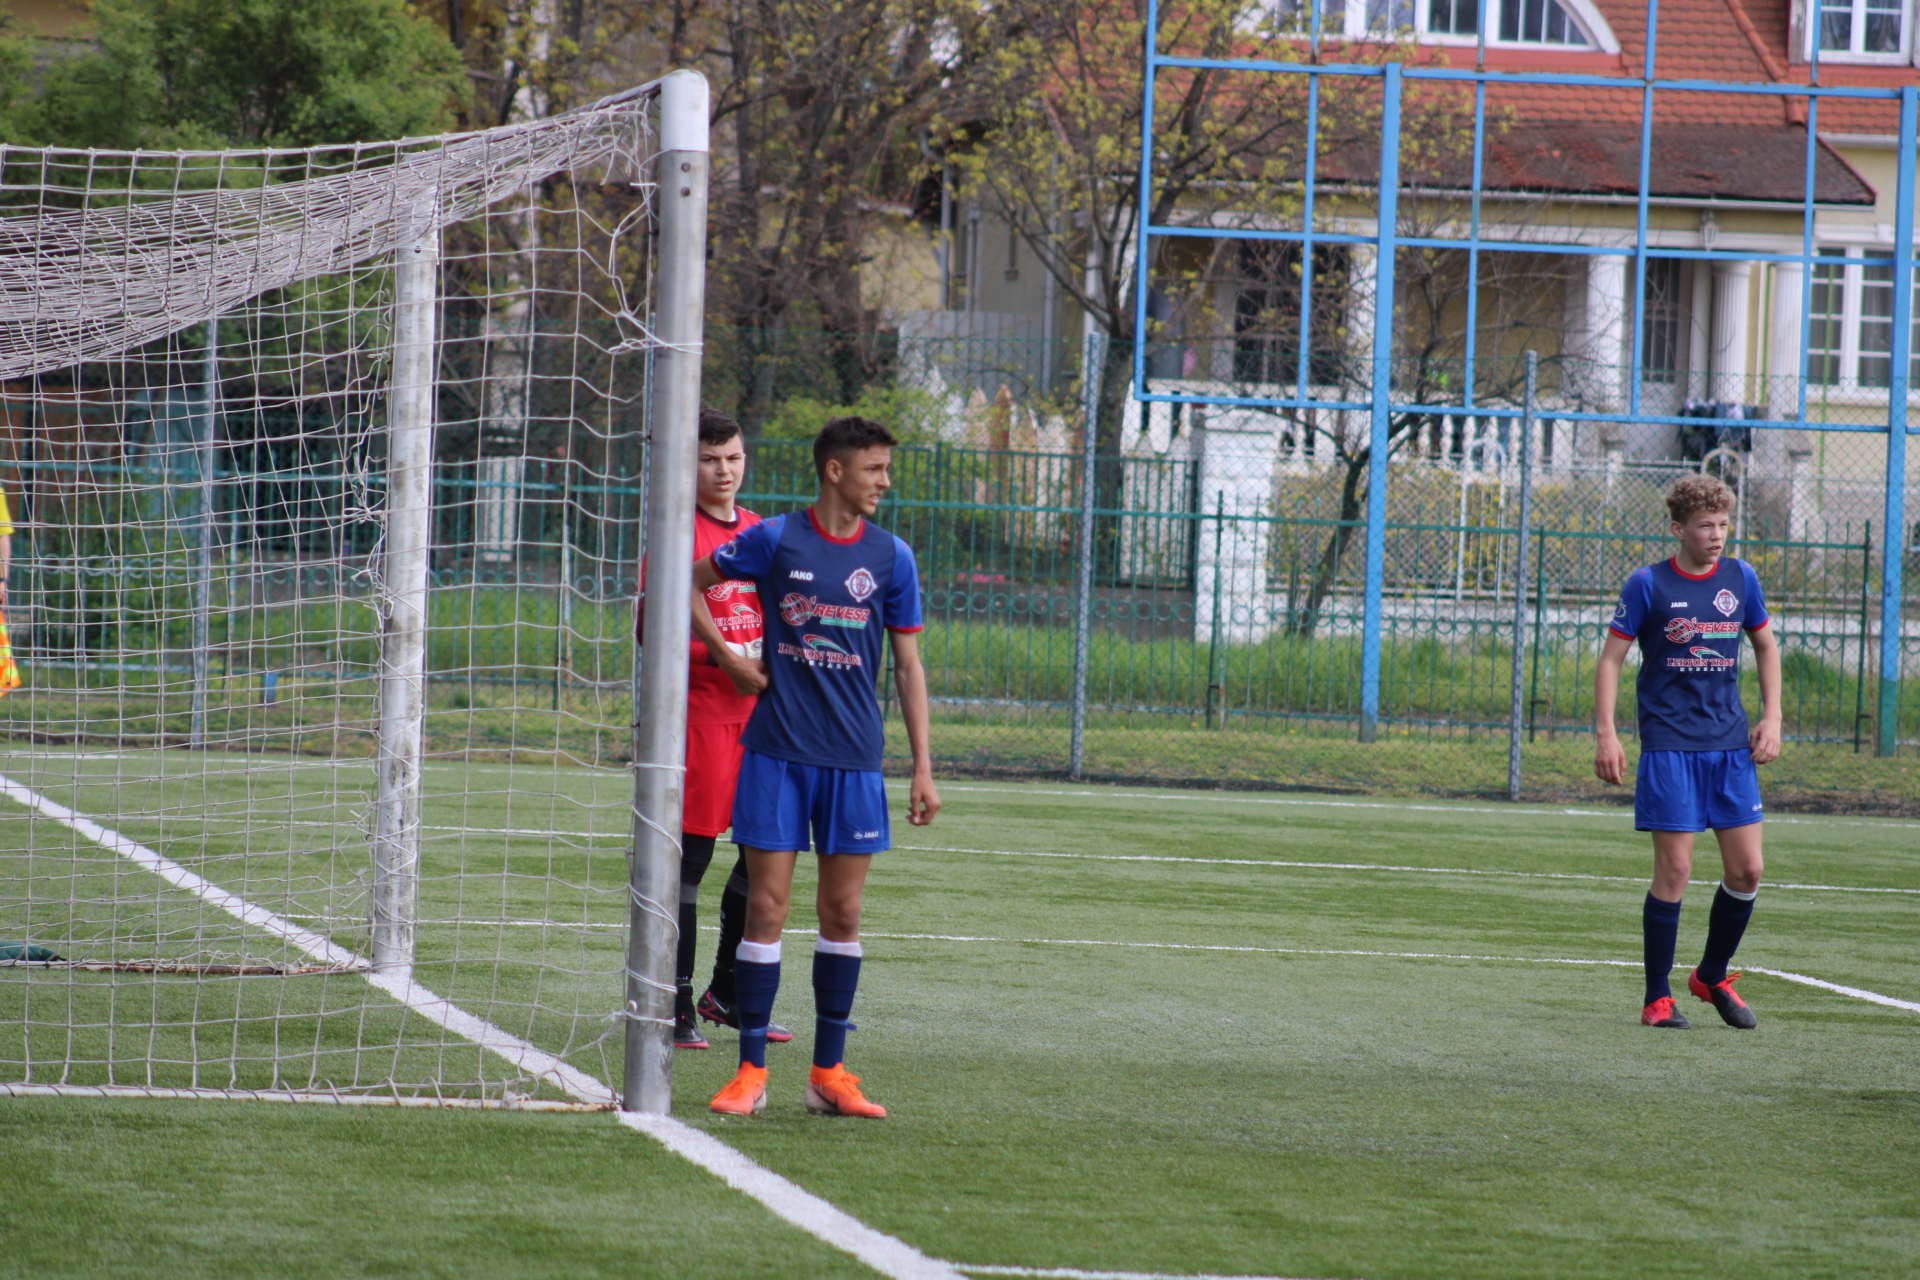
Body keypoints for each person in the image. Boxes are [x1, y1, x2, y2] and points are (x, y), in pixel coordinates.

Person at [689, 416, 940, 1118]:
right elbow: (689, 583)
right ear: (835, 470)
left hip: (855, 762)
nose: (885, 482)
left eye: (886, 469)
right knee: (765, 908)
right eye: (874, 469)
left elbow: (909, 667)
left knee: (843, 912)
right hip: (776, 754)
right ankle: (751, 1072)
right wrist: (729, 658)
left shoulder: (893, 558)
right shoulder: (775, 539)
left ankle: (829, 1073)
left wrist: (922, 766)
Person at [1594, 473, 1781, 1031]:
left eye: (1723, 525)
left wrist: (1772, 717)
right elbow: (1611, 659)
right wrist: (1606, 732)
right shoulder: (1647, 584)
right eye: (1705, 526)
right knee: (1675, 870)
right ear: (1678, 529)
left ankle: (1711, 975)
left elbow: (1766, 646)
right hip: (1670, 746)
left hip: (1730, 748)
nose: (1717, 535)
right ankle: (1657, 998)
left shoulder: (1741, 578)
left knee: (1748, 870)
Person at [636, 408, 791, 1051]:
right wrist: (724, 659)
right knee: (689, 865)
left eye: (732, 457)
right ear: (688, 465)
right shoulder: (676, 535)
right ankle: (671, 1003)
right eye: (708, 459)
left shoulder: (760, 532)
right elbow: (652, 630)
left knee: (764, 858)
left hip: (760, 722)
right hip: (699, 719)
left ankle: (726, 991)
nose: (723, 470)